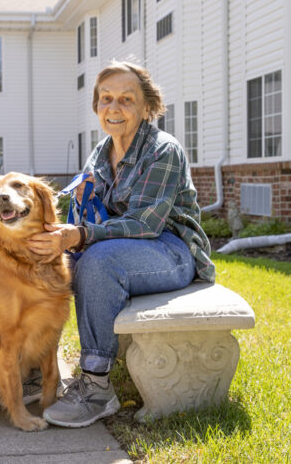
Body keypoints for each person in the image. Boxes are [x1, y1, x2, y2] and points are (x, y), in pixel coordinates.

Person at [27, 60, 216, 428]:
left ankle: (97, 388)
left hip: (171, 250)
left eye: (126, 100)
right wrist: (58, 237)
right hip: (119, 248)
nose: (114, 108)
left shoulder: (163, 149)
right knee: (41, 259)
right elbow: (85, 214)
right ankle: (34, 368)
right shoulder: (100, 153)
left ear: (147, 107)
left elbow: (145, 223)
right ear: (97, 105)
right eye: (106, 98)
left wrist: (81, 237)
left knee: (98, 260)